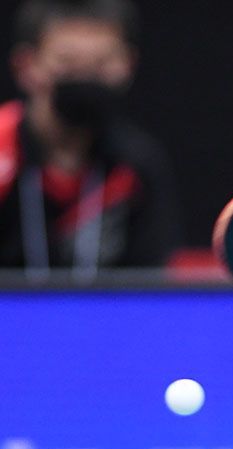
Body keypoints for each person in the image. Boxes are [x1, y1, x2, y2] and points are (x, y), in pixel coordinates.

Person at [0, 0, 179, 277]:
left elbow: (148, 283)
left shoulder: (138, 166)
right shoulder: (4, 144)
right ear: (26, 65)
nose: (84, 77)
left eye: (101, 64)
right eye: (67, 62)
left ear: (128, 65)